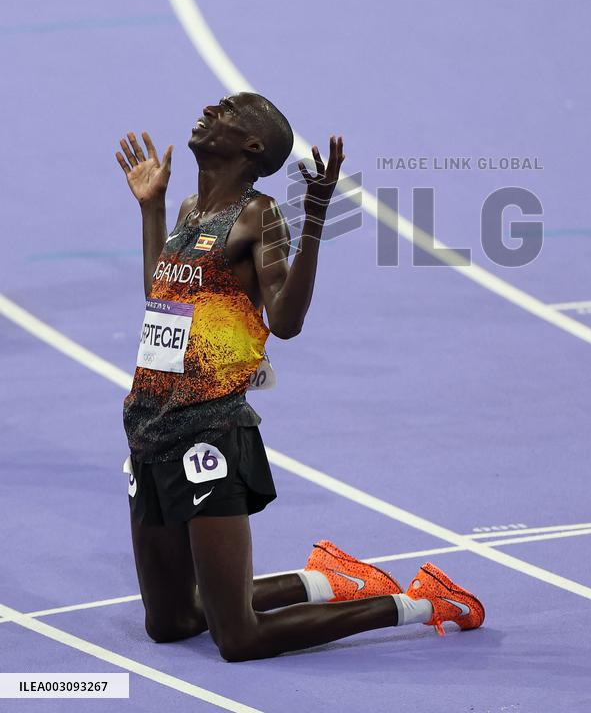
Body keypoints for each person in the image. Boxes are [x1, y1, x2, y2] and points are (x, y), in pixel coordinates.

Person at [115, 92, 484, 661]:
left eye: (228, 112)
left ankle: (421, 603)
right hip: (149, 429)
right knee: (169, 623)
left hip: (207, 433)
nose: (211, 110)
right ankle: (326, 579)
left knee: (237, 638)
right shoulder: (189, 210)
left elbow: (285, 320)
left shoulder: (258, 215)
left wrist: (314, 219)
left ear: (251, 146)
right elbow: (162, 297)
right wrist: (151, 209)